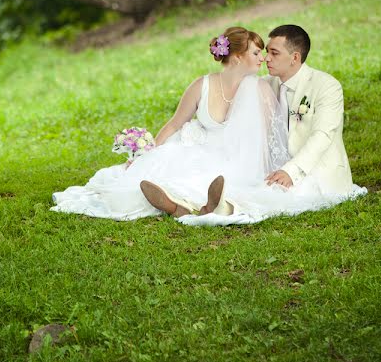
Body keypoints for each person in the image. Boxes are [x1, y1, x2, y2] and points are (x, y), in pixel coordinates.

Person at [51, 26, 291, 221]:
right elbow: (175, 124)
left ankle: (200, 204)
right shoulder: (202, 85)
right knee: (166, 171)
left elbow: (271, 136)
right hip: (200, 152)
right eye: (256, 53)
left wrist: (275, 170)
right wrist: (145, 153)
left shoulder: (260, 89)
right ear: (237, 58)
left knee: (222, 180)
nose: (263, 58)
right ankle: (180, 204)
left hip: (236, 159)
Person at [177, 24, 366, 226]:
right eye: (266, 52)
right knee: (251, 183)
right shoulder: (263, 85)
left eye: (274, 53)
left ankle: (226, 207)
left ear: (294, 58)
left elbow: (322, 137)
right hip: (276, 168)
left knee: (279, 195)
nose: (266, 58)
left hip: (314, 170)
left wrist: (290, 171)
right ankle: (194, 203)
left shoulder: (326, 86)